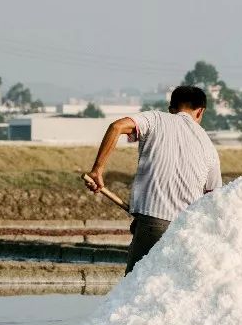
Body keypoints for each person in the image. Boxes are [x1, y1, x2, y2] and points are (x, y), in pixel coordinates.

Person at [84, 85, 223, 273]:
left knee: (135, 291)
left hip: (153, 224)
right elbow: (214, 197)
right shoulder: (208, 145)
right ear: (200, 111)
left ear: (171, 109)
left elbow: (117, 127)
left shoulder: (156, 119)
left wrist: (97, 171)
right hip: (186, 231)